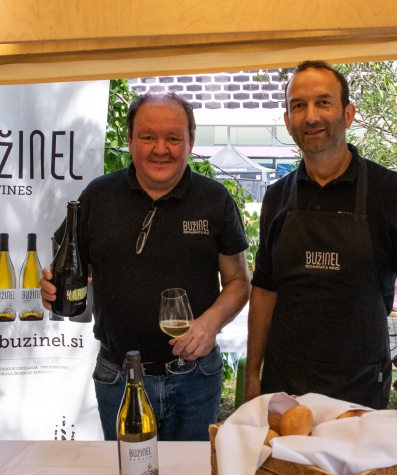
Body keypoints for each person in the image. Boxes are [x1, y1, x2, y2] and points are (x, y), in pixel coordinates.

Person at [41, 92, 251, 440]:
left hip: (195, 377)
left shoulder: (214, 199)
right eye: (148, 137)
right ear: (130, 141)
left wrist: (210, 324)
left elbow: (238, 281)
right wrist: (52, 287)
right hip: (119, 377)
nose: (160, 149)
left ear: (190, 142)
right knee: (129, 471)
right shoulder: (98, 197)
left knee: (190, 472)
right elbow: (70, 270)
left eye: (174, 138)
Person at [246, 61, 397, 409]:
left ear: (348, 114)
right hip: (285, 385)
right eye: (299, 105)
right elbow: (265, 288)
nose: (311, 116)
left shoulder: (391, 192)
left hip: (360, 386)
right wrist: (253, 372)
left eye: (323, 102)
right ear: (288, 121)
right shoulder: (277, 196)